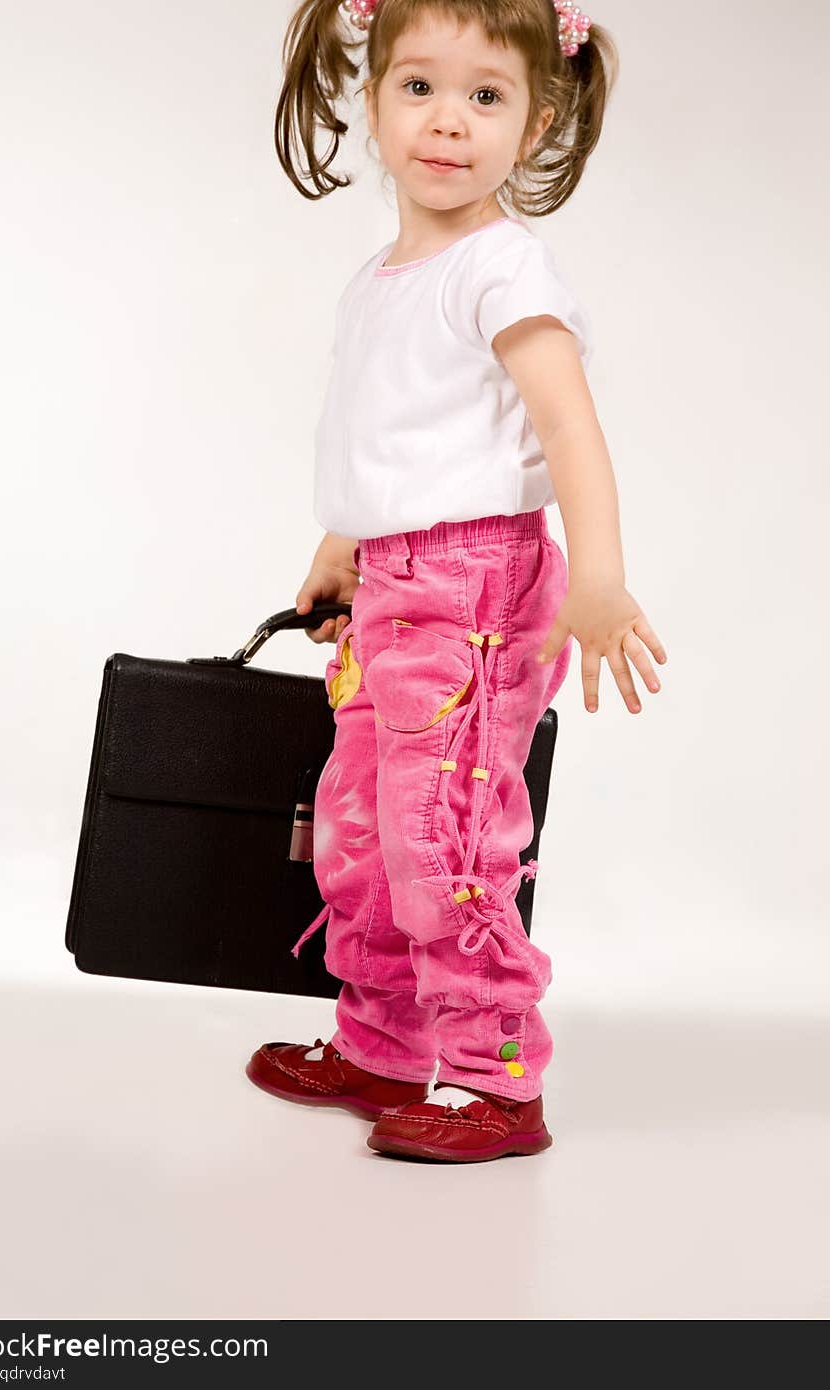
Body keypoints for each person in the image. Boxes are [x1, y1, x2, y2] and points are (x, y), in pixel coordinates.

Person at [245, 0, 667, 1163]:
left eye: (486, 96)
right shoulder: (380, 276)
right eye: (419, 87)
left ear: (534, 125)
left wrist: (601, 577)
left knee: (443, 838)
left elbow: (568, 426)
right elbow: (384, 436)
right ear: (371, 104)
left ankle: (495, 1077)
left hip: (476, 589)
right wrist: (342, 547)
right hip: (393, 582)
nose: (448, 121)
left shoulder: (503, 266)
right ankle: (381, 1042)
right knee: (360, 830)